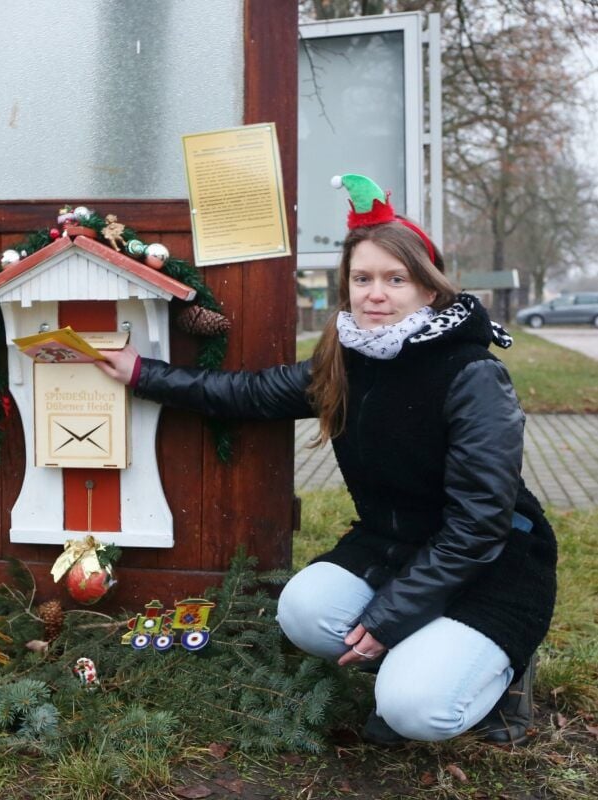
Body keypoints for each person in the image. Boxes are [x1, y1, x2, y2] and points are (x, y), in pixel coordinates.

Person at [97, 174, 557, 744]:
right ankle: (428, 646)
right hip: (393, 547)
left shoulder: (472, 375)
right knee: (304, 611)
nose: (375, 294)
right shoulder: (349, 360)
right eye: (361, 279)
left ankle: (503, 672)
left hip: (491, 563)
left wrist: (390, 617)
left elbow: (479, 524)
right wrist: (143, 373)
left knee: (415, 709)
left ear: (429, 289)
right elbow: (250, 393)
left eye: (396, 279)